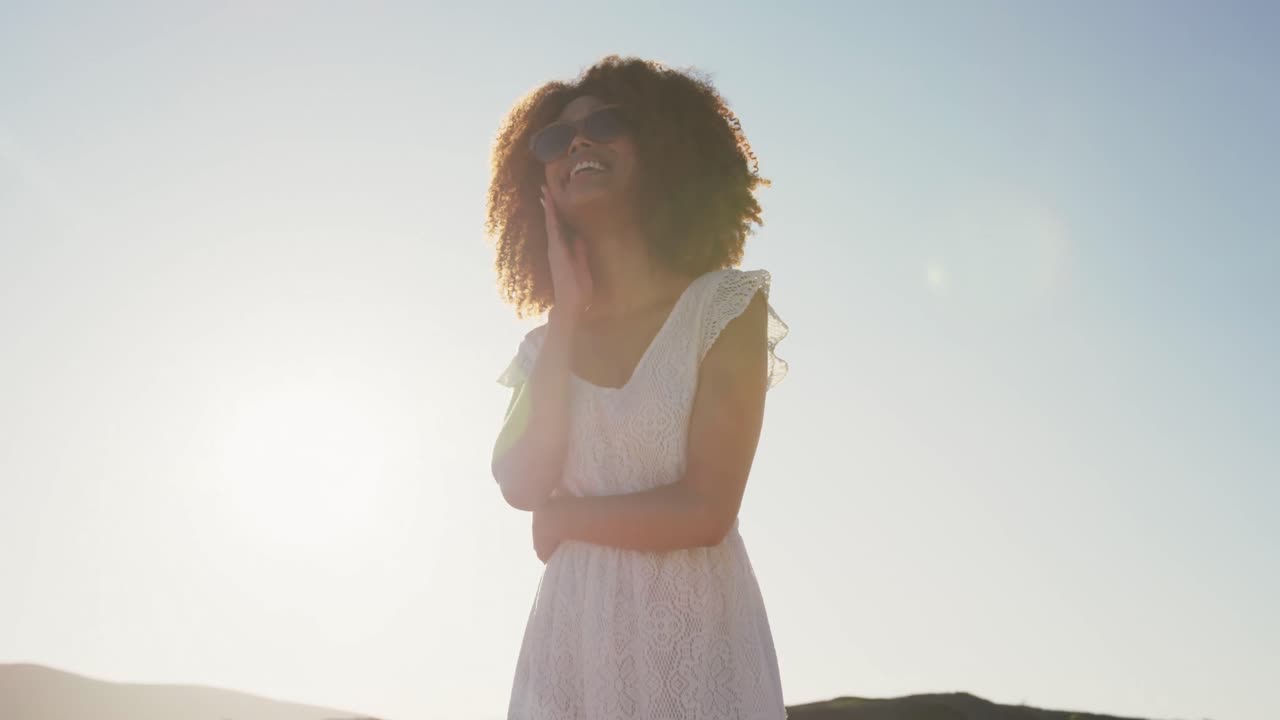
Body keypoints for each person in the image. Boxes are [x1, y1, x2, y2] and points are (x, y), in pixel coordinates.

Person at [487, 55, 790, 720]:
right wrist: (566, 317)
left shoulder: (726, 307)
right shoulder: (544, 348)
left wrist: (569, 521)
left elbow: (706, 511)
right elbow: (520, 483)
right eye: (555, 139)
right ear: (540, 184)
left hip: (699, 639)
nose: (579, 143)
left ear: (662, 148)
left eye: (604, 123)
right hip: (573, 646)